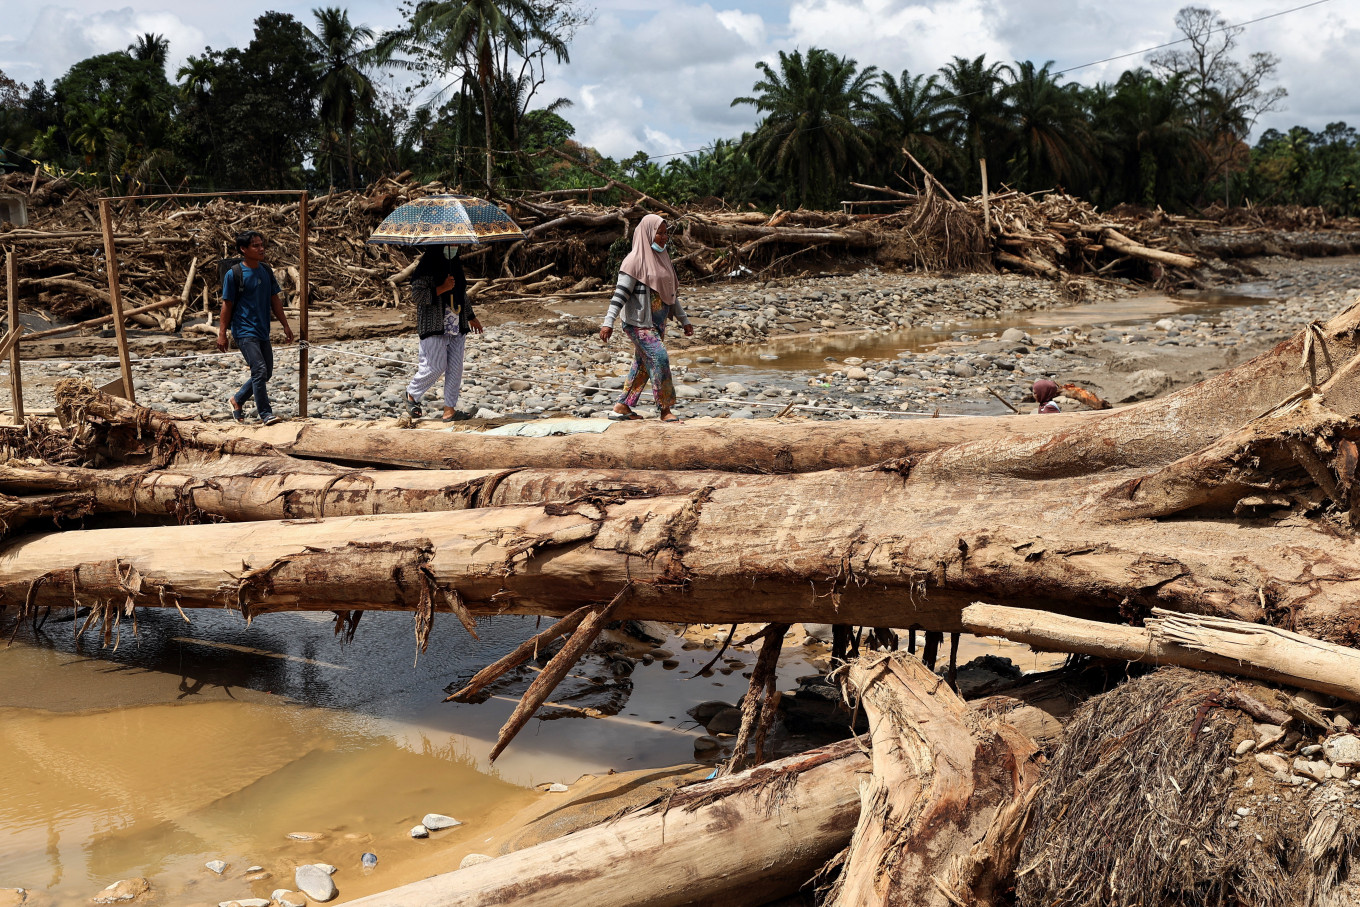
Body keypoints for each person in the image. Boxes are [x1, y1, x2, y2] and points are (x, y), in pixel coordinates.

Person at [598, 214, 694, 423]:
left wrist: (684, 320)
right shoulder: (633, 261)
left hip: (657, 323)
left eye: (665, 233)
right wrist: (608, 322)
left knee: (642, 365)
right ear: (647, 233)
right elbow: (619, 295)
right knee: (659, 358)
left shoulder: (664, 259)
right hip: (638, 324)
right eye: (658, 233)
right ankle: (665, 409)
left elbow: (670, 295)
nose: (663, 237)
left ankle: (622, 407)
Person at [219, 230, 294, 425]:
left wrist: (286, 325)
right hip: (243, 331)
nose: (261, 249)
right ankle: (266, 414)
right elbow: (226, 305)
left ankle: (237, 400)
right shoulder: (233, 274)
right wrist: (222, 334)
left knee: (266, 372)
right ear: (243, 249)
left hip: (262, 329)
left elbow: (274, 300)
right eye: (256, 246)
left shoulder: (266, 270)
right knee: (259, 370)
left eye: (262, 245)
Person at [404, 245, 481, 422]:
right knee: (435, 366)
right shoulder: (426, 265)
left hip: (457, 324)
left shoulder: (454, 264)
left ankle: (449, 410)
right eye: (450, 245)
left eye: (456, 245)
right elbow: (417, 296)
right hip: (434, 325)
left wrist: (471, 317)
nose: (454, 248)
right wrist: (442, 288)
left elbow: (461, 293)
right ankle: (411, 394)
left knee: (455, 368)